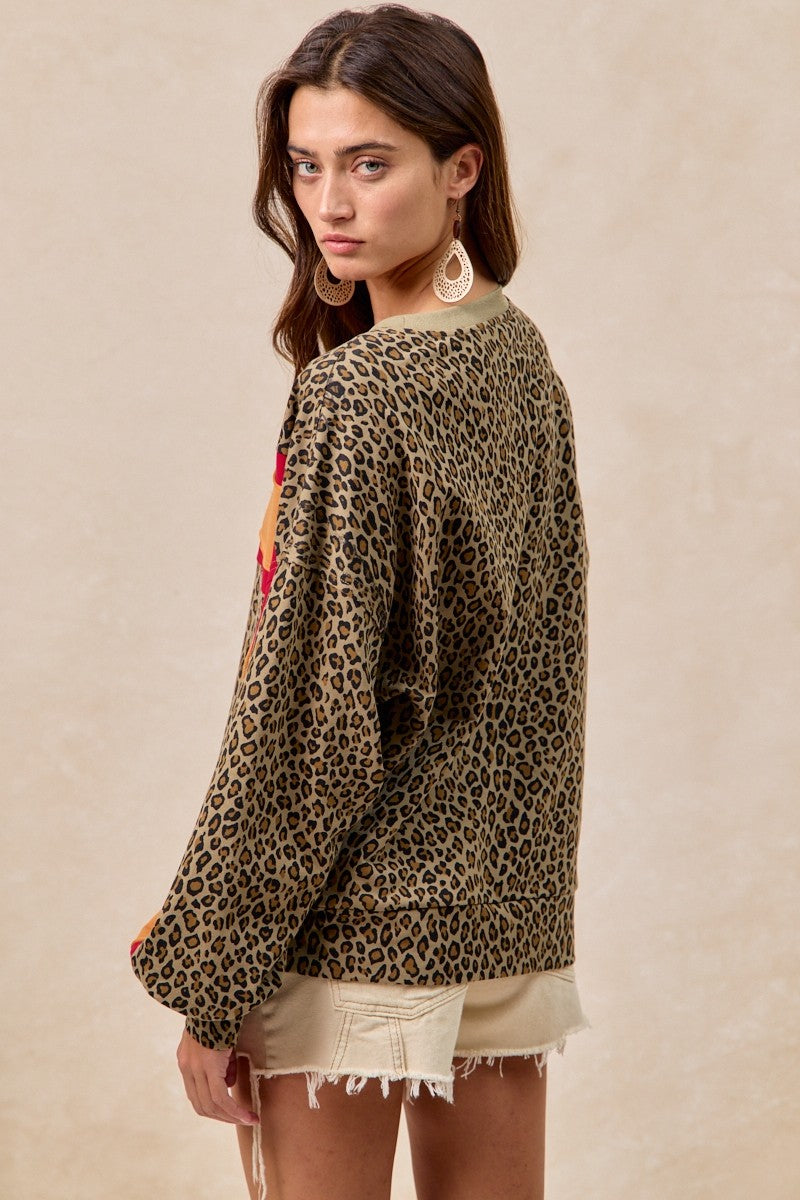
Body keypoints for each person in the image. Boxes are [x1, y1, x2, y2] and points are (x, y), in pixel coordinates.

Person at [130, 5, 591, 1198]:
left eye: (369, 164)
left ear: (460, 168)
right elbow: (542, 668)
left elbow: (307, 715)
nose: (328, 204)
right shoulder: (519, 357)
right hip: (504, 917)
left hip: (354, 930)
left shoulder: (360, 391)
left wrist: (213, 969)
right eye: (304, 165)